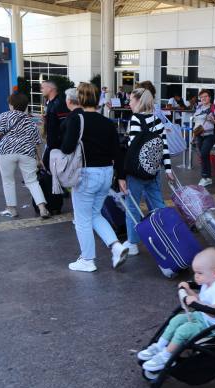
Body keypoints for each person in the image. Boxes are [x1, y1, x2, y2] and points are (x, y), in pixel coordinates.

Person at [60, 83, 128, 272]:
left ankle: (87, 260)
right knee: (95, 214)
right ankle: (116, 246)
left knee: (82, 219)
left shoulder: (77, 119)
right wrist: (121, 177)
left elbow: (66, 147)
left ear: (80, 99)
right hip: (106, 173)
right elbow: (117, 151)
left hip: (86, 174)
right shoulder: (107, 122)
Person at [139, 248, 215, 372]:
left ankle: (166, 356)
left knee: (184, 330)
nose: (196, 276)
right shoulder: (207, 283)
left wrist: (196, 302)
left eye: (199, 273)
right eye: (195, 272)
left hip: (214, 326)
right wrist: (188, 290)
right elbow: (200, 299)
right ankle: (159, 346)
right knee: (177, 319)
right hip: (202, 317)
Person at [118, 87, 173, 257]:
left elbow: (133, 147)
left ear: (138, 101)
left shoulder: (135, 119)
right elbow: (164, 146)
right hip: (153, 170)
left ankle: (133, 243)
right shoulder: (157, 120)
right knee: (159, 205)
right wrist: (168, 169)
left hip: (136, 173)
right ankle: (168, 236)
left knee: (132, 206)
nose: (129, 103)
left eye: (132, 100)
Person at [0, 93, 50, 219]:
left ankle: (12, 209)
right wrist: (39, 159)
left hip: (7, 152)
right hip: (27, 152)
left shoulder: (5, 116)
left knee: (8, 181)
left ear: (11, 104)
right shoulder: (30, 120)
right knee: (32, 181)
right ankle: (42, 208)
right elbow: (37, 142)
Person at [193, 89, 215, 187]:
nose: (203, 98)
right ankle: (208, 176)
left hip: (210, 135)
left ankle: (205, 176)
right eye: (201, 97)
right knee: (203, 156)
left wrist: (213, 120)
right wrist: (194, 136)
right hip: (199, 135)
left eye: (205, 96)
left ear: (209, 97)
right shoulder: (198, 108)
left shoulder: (214, 108)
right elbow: (197, 123)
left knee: (204, 153)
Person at [40, 80, 70, 169]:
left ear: (50, 89)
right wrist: (46, 119)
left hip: (58, 146)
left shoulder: (59, 103)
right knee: (46, 168)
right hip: (51, 144)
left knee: (49, 169)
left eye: (43, 87)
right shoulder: (50, 103)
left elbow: (65, 124)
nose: (41, 90)